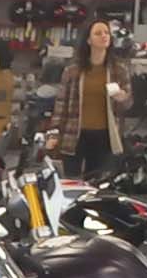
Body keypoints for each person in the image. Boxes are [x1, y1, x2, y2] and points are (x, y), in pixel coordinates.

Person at [51, 19, 131, 176]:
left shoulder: (119, 69)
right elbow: (60, 105)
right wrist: (53, 133)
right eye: (98, 33)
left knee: (97, 182)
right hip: (74, 134)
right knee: (71, 180)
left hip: (104, 136)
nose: (104, 36)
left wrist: (123, 98)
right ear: (88, 40)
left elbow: (128, 103)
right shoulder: (72, 70)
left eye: (106, 33)